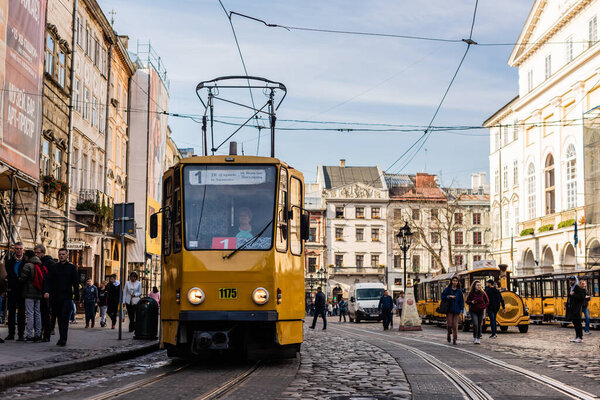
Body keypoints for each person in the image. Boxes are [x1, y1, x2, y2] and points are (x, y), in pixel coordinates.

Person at [44, 248, 79, 346]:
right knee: (59, 318)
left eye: (63, 254)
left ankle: (64, 338)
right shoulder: (54, 267)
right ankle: (61, 337)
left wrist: (77, 296)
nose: (61, 256)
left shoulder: (72, 268)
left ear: (67, 255)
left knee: (64, 317)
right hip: (55, 297)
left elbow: (76, 283)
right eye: (60, 254)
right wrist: (47, 291)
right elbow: (48, 280)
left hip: (67, 297)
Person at [19, 250, 44, 342]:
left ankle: (29, 335)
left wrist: (19, 279)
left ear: (27, 257)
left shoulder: (28, 265)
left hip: (29, 292)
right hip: (38, 292)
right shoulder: (40, 264)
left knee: (30, 314)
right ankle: (38, 334)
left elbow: (23, 278)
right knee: (37, 313)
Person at [5, 242, 26, 341]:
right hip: (12, 290)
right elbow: (8, 275)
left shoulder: (26, 261)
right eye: (17, 248)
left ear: (23, 250)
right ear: (14, 250)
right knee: (11, 312)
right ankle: (11, 333)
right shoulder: (9, 261)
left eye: (20, 248)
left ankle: (21, 334)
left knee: (21, 313)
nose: (18, 250)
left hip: (22, 290)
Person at [34, 244, 55, 342]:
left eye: (38, 252)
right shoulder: (36, 262)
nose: (36, 254)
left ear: (43, 252)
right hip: (37, 291)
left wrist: (48, 291)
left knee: (45, 313)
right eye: (35, 252)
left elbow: (50, 279)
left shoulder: (49, 263)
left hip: (46, 292)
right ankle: (39, 332)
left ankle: (47, 334)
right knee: (38, 313)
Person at [441, 276, 464, 345]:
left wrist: (461, 310)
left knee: (455, 325)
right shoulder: (447, 289)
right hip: (449, 309)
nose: (455, 282)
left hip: (456, 310)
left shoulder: (459, 291)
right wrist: (449, 296)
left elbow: (461, 301)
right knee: (449, 325)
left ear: (458, 282)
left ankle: (454, 339)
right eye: (454, 281)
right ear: (451, 281)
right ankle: (448, 334)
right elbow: (442, 297)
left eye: (456, 281)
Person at [565, 275, 585, 343]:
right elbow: (569, 297)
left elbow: (582, 297)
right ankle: (577, 336)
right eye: (570, 280)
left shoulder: (577, 287)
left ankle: (580, 337)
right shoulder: (571, 288)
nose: (571, 281)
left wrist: (574, 294)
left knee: (578, 323)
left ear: (575, 280)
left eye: (572, 280)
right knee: (575, 323)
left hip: (577, 309)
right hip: (572, 309)